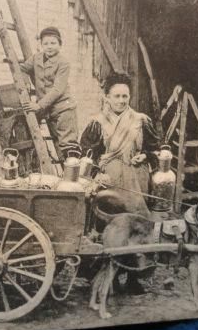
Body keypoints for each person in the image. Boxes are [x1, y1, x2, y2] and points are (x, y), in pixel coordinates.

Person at [80, 73, 160, 217]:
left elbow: (155, 149)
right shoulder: (97, 123)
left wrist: (145, 156)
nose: (121, 101)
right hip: (108, 177)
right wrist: (97, 172)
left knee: (137, 217)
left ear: (130, 97)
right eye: (117, 96)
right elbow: (87, 153)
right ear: (107, 97)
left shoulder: (141, 120)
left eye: (125, 96)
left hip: (136, 175)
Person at [20, 26, 80, 159]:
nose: (49, 46)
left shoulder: (63, 63)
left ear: (60, 44)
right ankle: (63, 178)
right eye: (45, 43)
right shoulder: (36, 58)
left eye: (53, 43)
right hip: (50, 111)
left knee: (68, 146)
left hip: (64, 109)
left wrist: (39, 105)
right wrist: (26, 84)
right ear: (41, 45)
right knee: (58, 147)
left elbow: (58, 89)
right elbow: (23, 69)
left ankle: (73, 177)